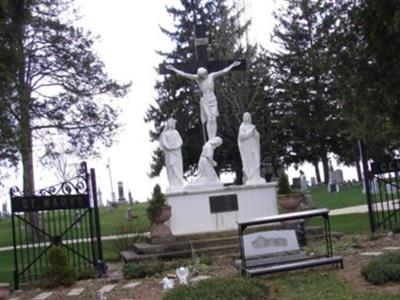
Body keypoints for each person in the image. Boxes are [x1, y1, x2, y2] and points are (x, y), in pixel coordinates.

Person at [165, 61, 242, 140]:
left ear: (206, 73)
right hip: (205, 101)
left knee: (213, 118)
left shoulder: (211, 76)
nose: (202, 77)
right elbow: (185, 74)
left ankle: (213, 137)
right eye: (201, 76)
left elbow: (223, 71)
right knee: (209, 118)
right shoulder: (198, 79)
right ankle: (210, 138)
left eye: (203, 75)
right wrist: (173, 69)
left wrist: (232, 65)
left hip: (213, 100)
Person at [238, 112, 265, 185]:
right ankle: (251, 177)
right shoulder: (242, 127)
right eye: (245, 116)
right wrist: (250, 134)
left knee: (256, 160)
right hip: (247, 148)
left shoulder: (252, 126)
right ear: (243, 118)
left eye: (248, 116)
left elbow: (257, 136)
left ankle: (257, 176)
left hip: (254, 146)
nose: (247, 117)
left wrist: (255, 133)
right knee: (250, 162)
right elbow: (241, 137)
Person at [160, 118, 184, 190]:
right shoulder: (166, 134)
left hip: (176, 152)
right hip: (170, 152)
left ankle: (179, 181)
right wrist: (169, 147)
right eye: (172, 123)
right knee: (171, 166)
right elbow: (163, 142)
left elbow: (180, 141)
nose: (173, 125)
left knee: (177, 166)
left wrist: (176, 146)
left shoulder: (176, 132)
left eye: (174, 124)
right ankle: (173, 183)